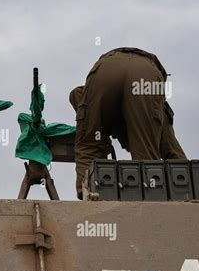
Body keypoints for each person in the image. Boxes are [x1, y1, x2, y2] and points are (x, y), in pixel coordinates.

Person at [69, 47, 186, 200]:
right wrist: (187, 187)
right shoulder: (151, 110)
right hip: (146, 73)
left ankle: (90, 195)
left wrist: (95, 126)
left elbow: (77, 93)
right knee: (146, 157)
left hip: (105, 69)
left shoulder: (93, 97)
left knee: (89, 145)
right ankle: (151, 200)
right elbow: (171, 151)